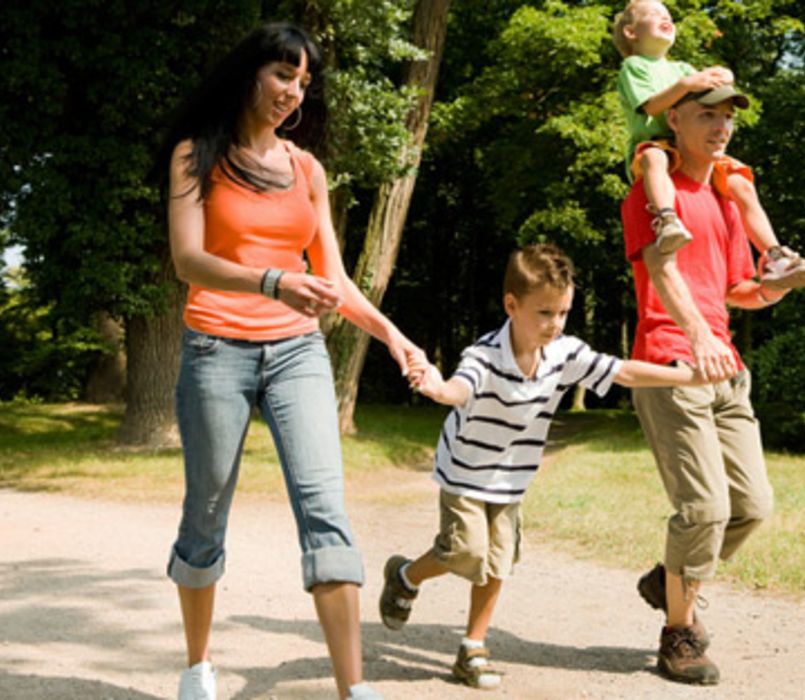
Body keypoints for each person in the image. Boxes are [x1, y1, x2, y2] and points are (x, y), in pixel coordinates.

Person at [155, 23, 424, 700]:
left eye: (303, 81)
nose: (292, 91)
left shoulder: (306, 169)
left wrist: (394, 337)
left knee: (325, 507)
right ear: (250, 73)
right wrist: (272, 281)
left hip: (297, 351)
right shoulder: (196, 156)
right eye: (282, 74)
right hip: (215, 347)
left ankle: (353, 690)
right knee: (207, 507)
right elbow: (188, 261)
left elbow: (331, 278)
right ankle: (197, 666)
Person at [378, 243, 711, 690]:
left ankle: (472, 647)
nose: (555, 325)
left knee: (498, 562)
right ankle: (404, 576)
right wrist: (438, 389)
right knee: (465, 552)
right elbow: (460, 388)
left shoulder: (563, 353)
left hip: (512, 478)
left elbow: (624, 372)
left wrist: (690, 376)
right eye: (544, 313)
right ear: (511, 305)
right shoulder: (485, 355)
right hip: (466, 471)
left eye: (563, 313)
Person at [619, 84, 781, 686]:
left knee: (752, 506)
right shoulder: (649, 193)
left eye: (728, 118)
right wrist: (697, 336)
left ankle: (668, 581)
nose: (721, 127)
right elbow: (662, 270)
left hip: (725, 370)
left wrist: (771, 289)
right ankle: (677, 634)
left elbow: (738, 287)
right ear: (676, 121)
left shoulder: (723, 200)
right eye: (706, 115)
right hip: (671, 363)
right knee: (704, 508)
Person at [612, 0, 805, 289]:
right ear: (630, 32)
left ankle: (775, 255)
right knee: (654, 159)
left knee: (742, 184)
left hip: (688, 144)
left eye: (668, 15)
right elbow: (652, 107)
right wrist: (689, 84)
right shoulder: (634, 67)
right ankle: (666, 219)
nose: (666, 19)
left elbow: (706, 93)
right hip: (655, 143)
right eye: (654, 15)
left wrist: (721, 76)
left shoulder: (682, 68)